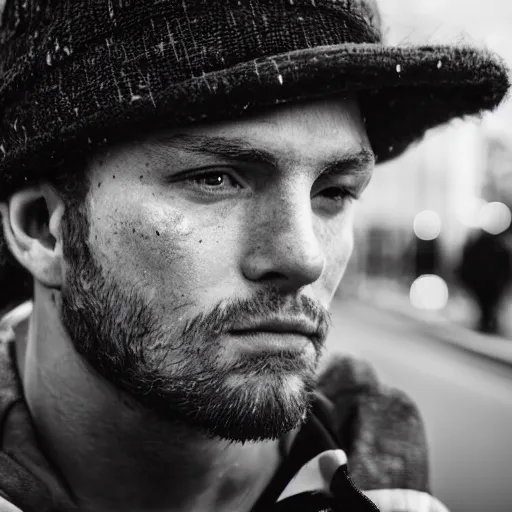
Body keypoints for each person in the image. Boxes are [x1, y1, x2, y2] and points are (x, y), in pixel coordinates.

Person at [0, 0, 508, 511]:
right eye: (214, 179)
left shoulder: (396, 497)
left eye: (332, 191)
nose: (305, 259)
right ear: (43, 228)